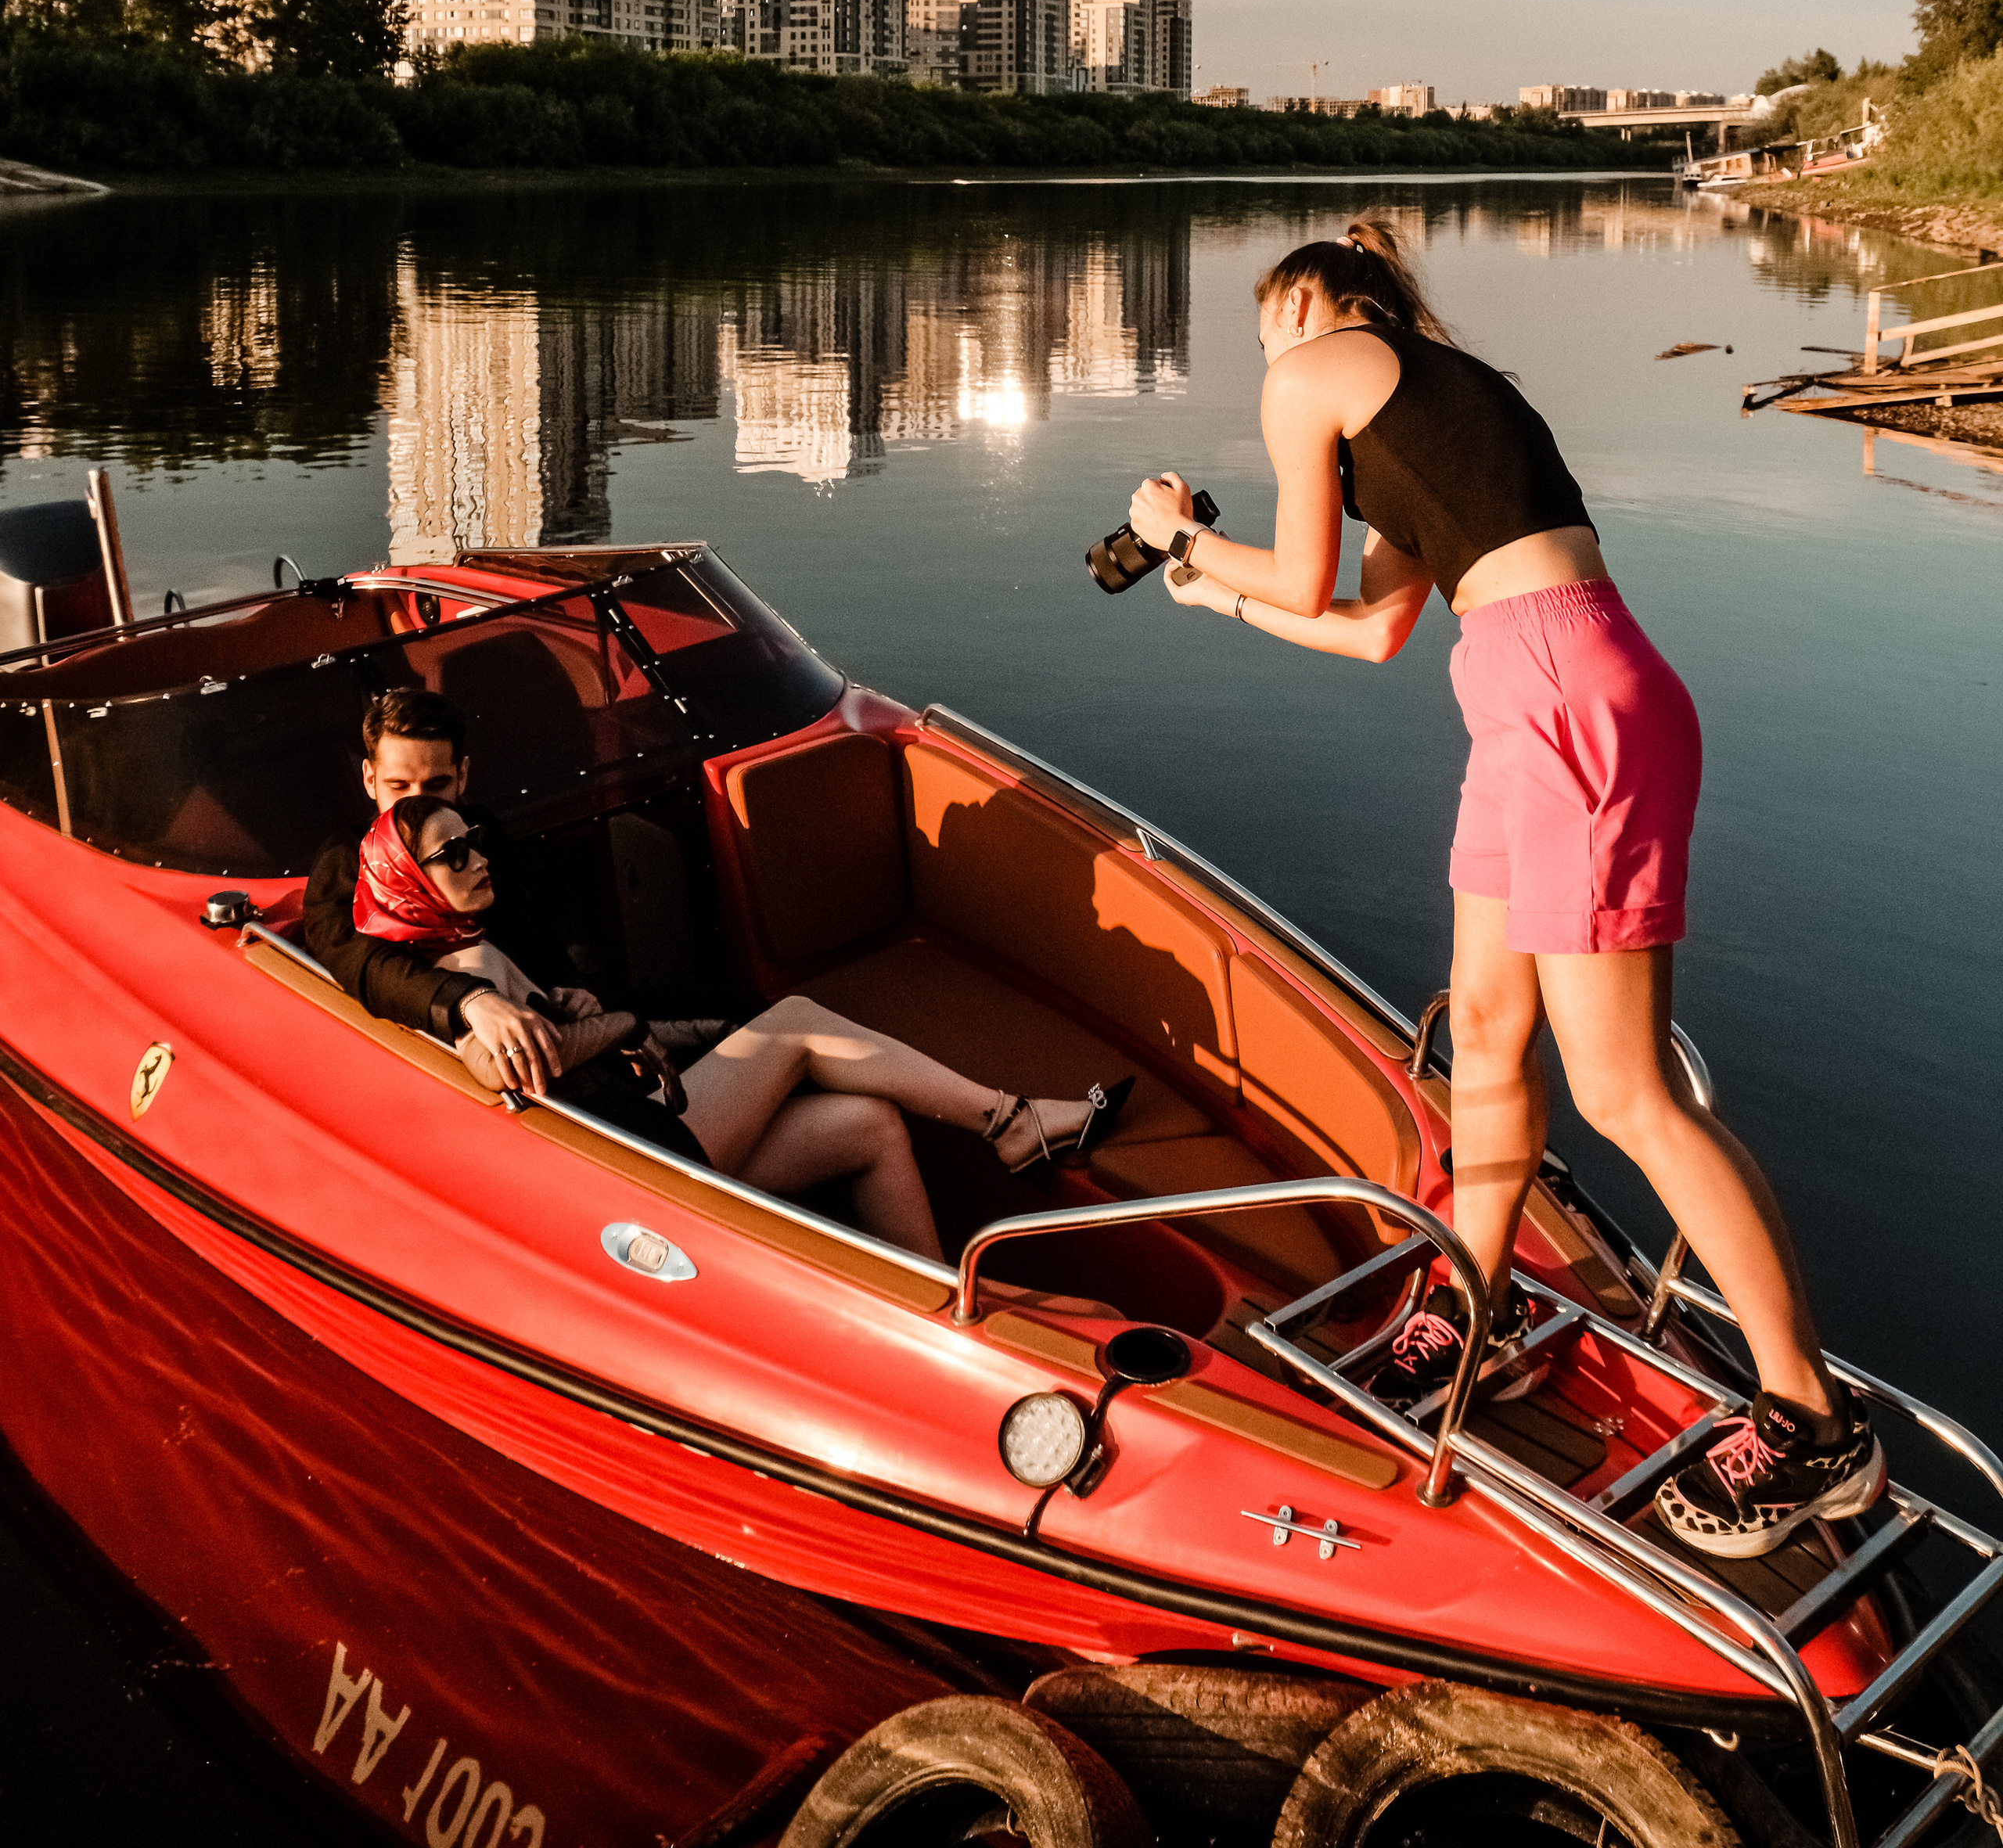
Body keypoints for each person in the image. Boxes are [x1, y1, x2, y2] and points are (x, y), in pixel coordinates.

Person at [1124, 219, 1882, 1559]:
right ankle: (1482, 1307)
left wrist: (1176, 531)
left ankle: (1816, 1425)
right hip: (1532, 704)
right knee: (1482, 1029)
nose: (1267, 364)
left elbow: (1297, 571)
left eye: (1265, 333)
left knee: (1624, 1089)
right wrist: (1212, 591)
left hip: (1569, 705)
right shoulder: (1432, 407)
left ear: (1309, 303)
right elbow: (1370, 627)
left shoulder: (1316, 367)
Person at [307, 688, 1130, 1263]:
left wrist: (571, 997)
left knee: (869, 1124)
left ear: (462, 778)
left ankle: (945, 1308)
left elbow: (548, 973)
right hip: (620, 1149)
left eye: (437, 787)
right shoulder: (364, 875)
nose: (417, 806)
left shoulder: (471, 846)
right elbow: (358, 960)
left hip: (621, 1098)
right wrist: (470, 1003)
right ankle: (1008, 1120)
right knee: (795, 1020)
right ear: (369, 780)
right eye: (399, 787)